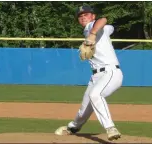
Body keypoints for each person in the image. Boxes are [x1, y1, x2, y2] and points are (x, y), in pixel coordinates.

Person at [55, 5, 123, 141]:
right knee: (84, 109)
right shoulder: (94, 30)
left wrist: (92, 34)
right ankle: (73, 127)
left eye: (86, 14)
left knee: (95, 95)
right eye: (80, 16)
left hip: (110, 72)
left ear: (93, 16)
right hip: (96, 76)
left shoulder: (92, 27)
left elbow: (103, 19)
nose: (83, 17)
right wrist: (93, 34)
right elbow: (108, 27)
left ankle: (110, 128)